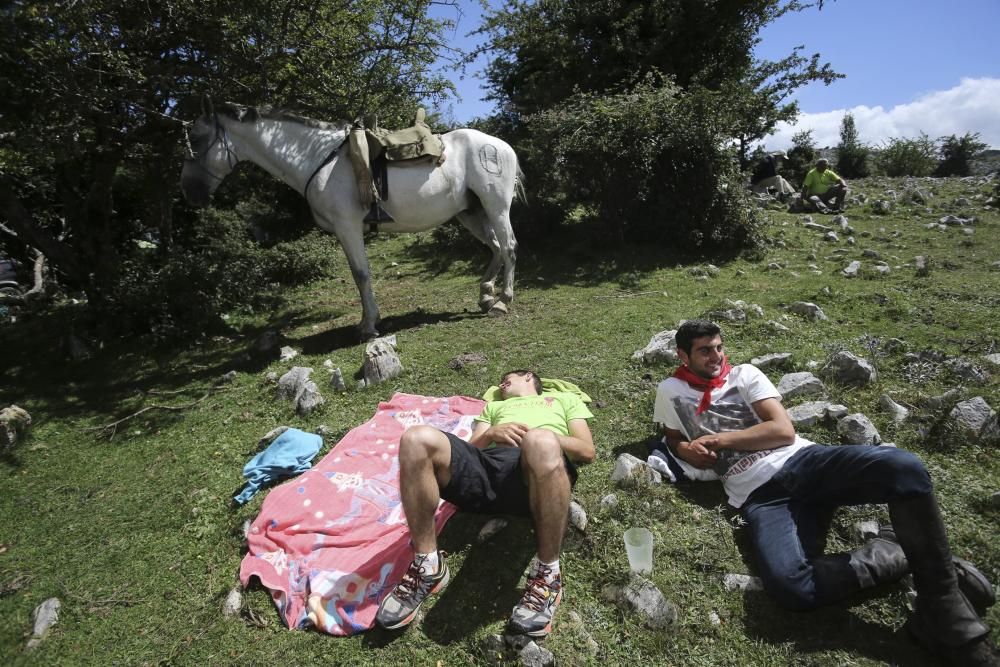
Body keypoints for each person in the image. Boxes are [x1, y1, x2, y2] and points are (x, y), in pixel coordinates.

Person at [652, 320, 998, 666]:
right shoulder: (670, 390)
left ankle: (942, 605)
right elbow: (673, 436)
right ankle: (899, 550)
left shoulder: (744, 374)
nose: (716, 356)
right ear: (683, 355)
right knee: (792, 587)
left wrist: (718, 440)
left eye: (719, 347)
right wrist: (685, 451)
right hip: (759, 496)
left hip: (805, 461)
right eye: (705, 350)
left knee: (904, 467)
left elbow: (783, 431)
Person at [375, 370, 595, 637]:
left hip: (535, 474)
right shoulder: (494, 407)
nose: (502, 383)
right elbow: (472, 448)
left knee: (540, 440)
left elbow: (586, 450)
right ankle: (427, 565)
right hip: (485, 472)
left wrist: (539, 435)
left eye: (508, 378)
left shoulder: (563, 401)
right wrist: (492, 431)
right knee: (415, 438)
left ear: (528, 377)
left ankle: (548, 575)